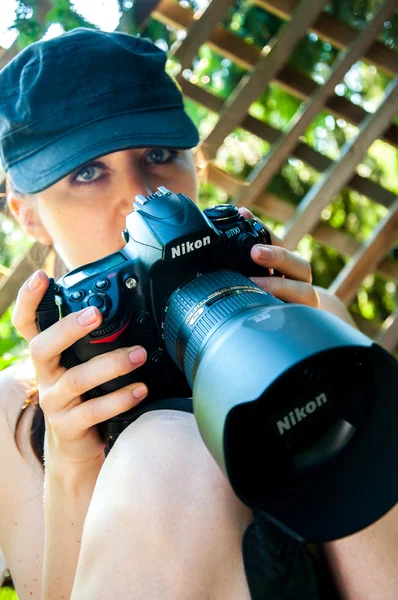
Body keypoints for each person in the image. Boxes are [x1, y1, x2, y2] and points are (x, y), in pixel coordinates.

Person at [0, 27, 396, 600]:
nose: (139, 197)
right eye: (86, 173)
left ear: (197, 166)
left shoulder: (301, 307)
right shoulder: (17, 410)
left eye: (158, 156)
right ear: (27, 214)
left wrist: (302, 353)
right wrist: (72, 463)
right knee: (164, 451)